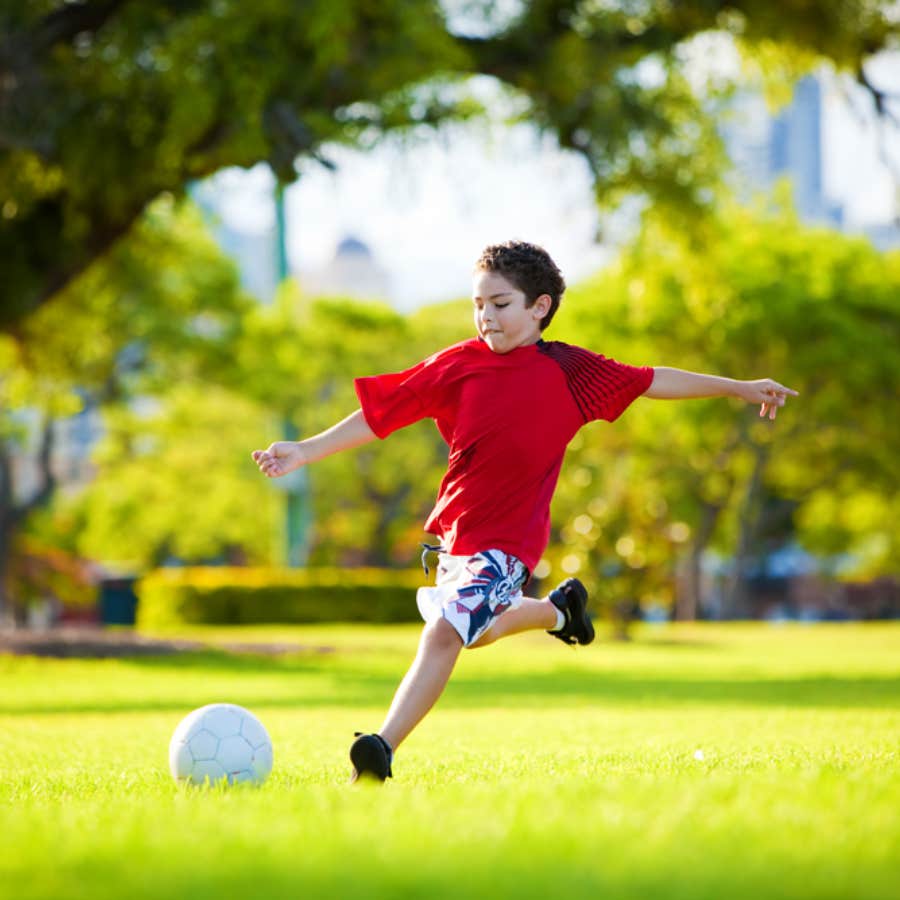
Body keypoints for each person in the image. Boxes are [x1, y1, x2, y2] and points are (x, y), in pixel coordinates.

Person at [251, 240, 797, 782]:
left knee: (445, 632)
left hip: (509, 543)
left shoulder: (572, 372)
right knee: (478, 632)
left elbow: (652, 379)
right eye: (479, 304)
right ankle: (560, 612)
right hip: (455, 539)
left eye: (501, 303)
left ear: (539, 307)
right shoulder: (458, 365)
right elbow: (381, 414)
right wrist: (305, 450)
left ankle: (381, 747)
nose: (487, 316)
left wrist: (741, 389)